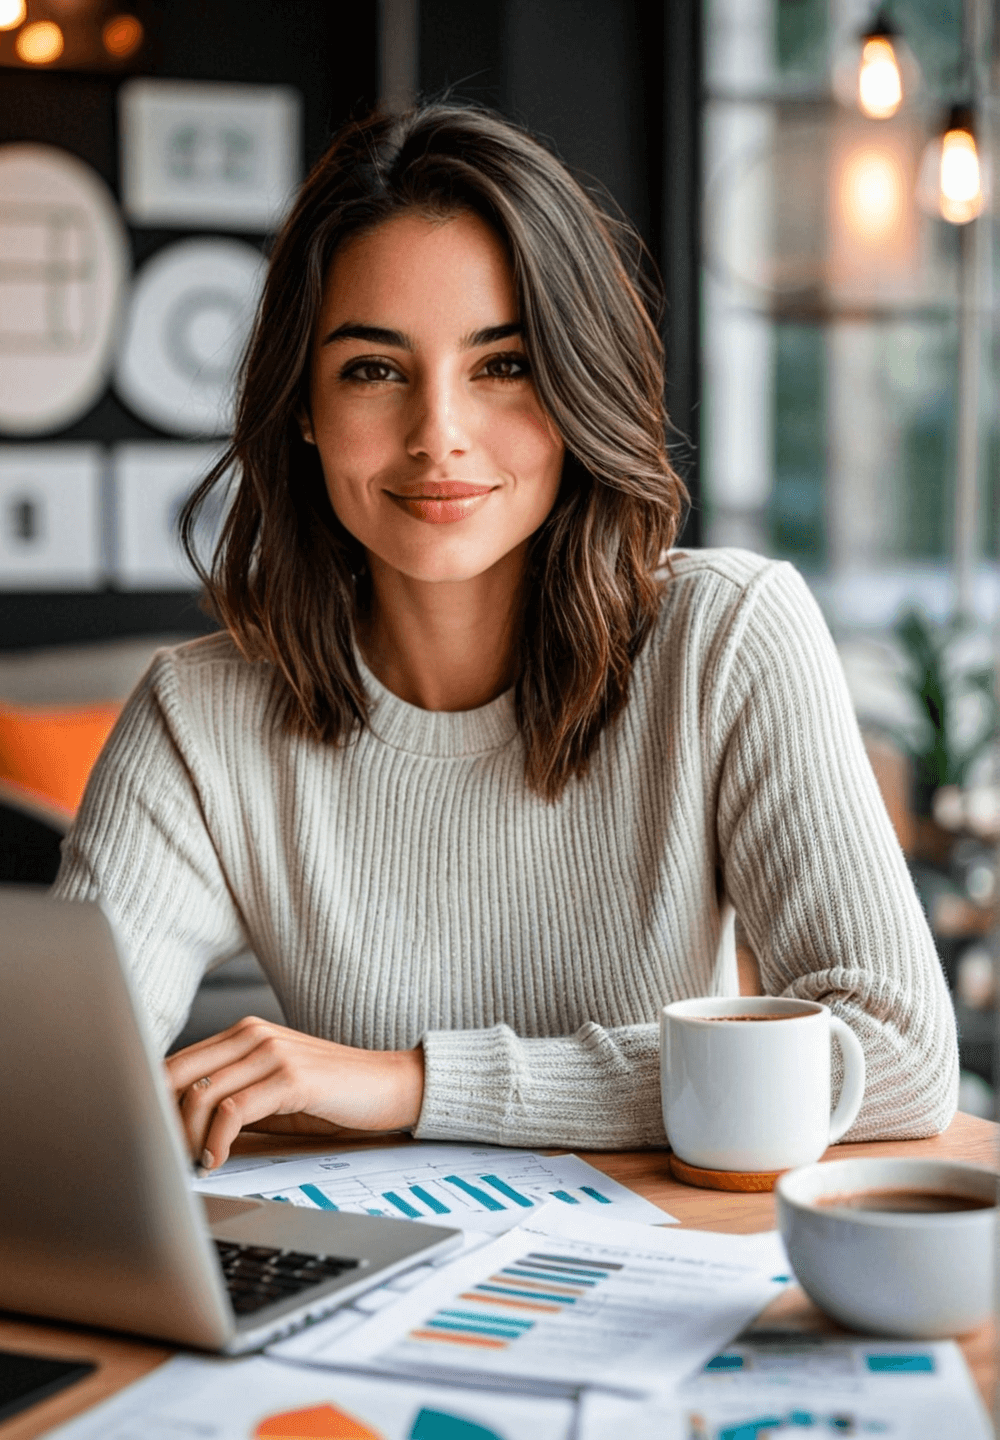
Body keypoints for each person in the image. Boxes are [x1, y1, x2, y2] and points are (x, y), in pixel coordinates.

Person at [54, 103, 957, 1172]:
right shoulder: (200, 716)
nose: (439, 433)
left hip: (667, 1288)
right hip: (363, 1286)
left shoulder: (728, 640)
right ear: (302, 406)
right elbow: (57, 1085)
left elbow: (898, 1054)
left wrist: (413, 1085)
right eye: (373, 369)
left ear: (575, 386)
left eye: (504, 364)